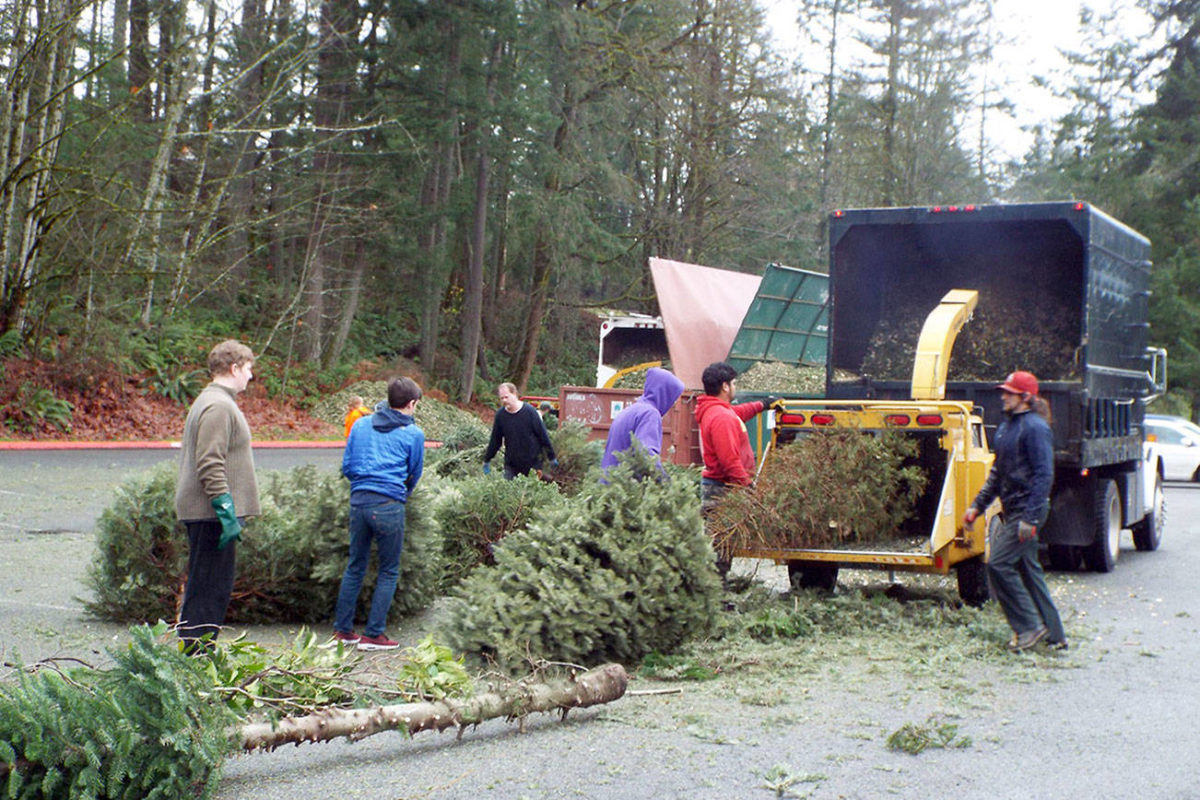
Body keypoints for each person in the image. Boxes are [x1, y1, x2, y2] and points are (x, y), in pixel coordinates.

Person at [963, 370, 1067, 652]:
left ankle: (1029, 628)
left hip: (1027, 512)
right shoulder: (1006, 428)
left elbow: (1045, 475)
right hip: (1015, 509)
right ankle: (1055, 635)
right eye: (1004, 391)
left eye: (1009, 392)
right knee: (1029, 570)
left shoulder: (1036, 428)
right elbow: (997, 475)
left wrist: (1030, 518)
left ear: (1025, 397)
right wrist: (976, 506)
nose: (1003, 396)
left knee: (997, 564)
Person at [174, 339, 261, 649]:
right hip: (209, 515)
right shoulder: (218, 405)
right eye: (249, 368)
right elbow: (209, 460)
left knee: (209, 588)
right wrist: (225, 510)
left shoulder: (216, 401)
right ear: (234, 368)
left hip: (209, 514)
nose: (251, 376)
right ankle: (195, 660)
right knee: (209, 590)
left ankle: (194, 656)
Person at [332, 377, 425, 650]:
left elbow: (347, 465)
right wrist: (399, 494)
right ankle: (374, 634)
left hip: (359, 502)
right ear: (411, 404)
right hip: (389, 505)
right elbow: (414, 472)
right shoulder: (413, 434)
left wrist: (363, 486)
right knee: (388, 570)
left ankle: (343, 631)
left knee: (355, 566)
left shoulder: (360, 424)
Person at [694, 362, 778, 509]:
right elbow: (729, 461)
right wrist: (748, 485)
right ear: (725, 387)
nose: (735, 387)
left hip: (722, 485)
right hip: (723, 489)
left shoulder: (716, 410)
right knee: (721, 531)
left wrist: (764, 404)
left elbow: (739, 412)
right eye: (733, 383)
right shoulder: (722, 417)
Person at [600, 366, 684, 478]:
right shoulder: (650, 414)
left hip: (610, 482)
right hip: (624, 487)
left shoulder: (632, 409)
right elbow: (646, 455)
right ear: (664, 394)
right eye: (672, 398)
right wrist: (665, 482)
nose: (672, 404)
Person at [482, 382, 557, 479]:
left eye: (506, 397)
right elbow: (495, 441)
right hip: (512, 464)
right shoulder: (500, 416)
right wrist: (487, 459)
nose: (504, 400)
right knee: (508, 489)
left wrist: (551, 457)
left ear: (514, 394)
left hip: (533, 463)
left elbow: (542, 436)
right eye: (501, 398)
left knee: (530, 490)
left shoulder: (530, 412)